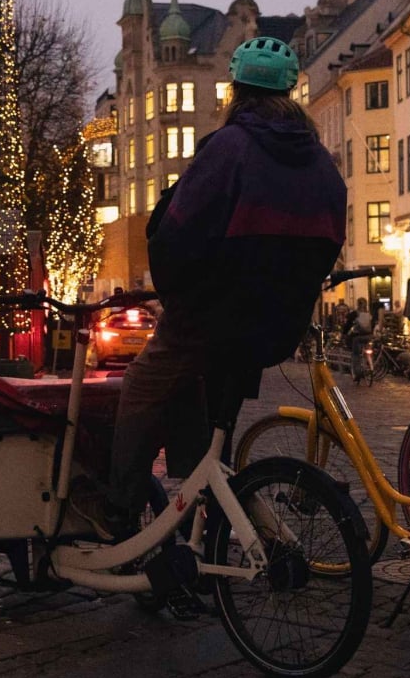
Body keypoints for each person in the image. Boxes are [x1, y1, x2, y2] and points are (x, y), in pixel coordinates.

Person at [84, 37, 345, 541]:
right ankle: (200, 503)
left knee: (141, 387)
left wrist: (177, 298)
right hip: (277, 326)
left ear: (236, 91)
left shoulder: (228, 148)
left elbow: (176, 236)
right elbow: (328, 243)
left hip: (213, 316)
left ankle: (118, 508)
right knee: (199, 394)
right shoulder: (319, 159)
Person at [343, 297, 373, 373]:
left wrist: (344, 333)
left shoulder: (355, 314)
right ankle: (371, 367)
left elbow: (347, 325)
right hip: (369, 336)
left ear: (358, 304)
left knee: (356, 354)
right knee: (369, 350)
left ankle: (357, 372)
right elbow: (372, 324)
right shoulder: (369, 313)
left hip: (358, 337)